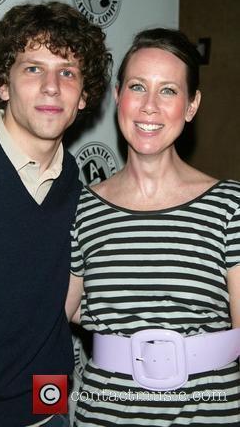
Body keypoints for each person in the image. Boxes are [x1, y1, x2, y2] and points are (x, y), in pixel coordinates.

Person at [0, 1, 112, 427]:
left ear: (84, 95)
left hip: (45, 409)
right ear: (3, 84)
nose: (52, 87)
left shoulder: (81, 191)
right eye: (33, 68)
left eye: (67, 72)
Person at [66, 28, 240, 426]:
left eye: (168, 91)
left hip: (209, 413)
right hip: (104, 415)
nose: (149, 106)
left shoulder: (230, 205)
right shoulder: (82, 208)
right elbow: (57, 312)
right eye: (138, 87)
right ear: (117, 97)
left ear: (192, 105)